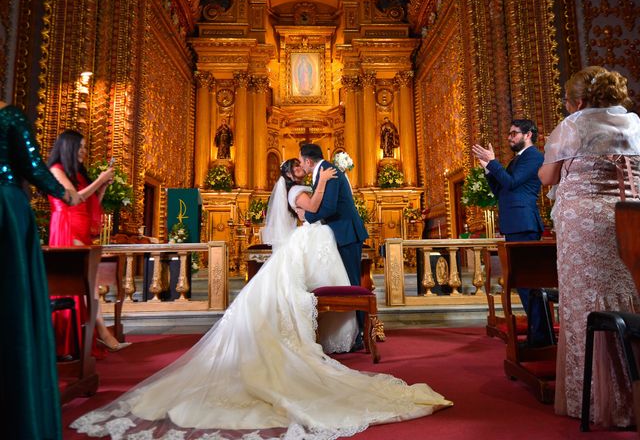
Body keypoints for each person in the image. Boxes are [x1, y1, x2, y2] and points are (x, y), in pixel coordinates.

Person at [71, 159, 452, 439]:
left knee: (282, 296)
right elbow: (315, 208)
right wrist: (327, 178)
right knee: (285, 299)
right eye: (300, 169)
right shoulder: (296, 191)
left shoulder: (290, 188)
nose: (305, 170)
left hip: (297, 248)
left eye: (306, 167)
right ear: (290, 175)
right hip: (300, 245)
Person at [538, 66, 640, 428]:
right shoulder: (634, 124)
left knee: (587, 301)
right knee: (629, 295)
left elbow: (548, 175)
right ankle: (633, 393)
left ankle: (597, 399)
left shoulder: (574, 125)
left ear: (578, 101)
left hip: (584, 223)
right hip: (629, 218)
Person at [0, 101, 81, 439]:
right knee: (12, 300)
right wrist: (64, 192)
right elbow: (33, 165)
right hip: (5, 211)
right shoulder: (8, 115)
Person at [47, 129, 130, 354]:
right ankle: (101, 333)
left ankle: (98, 334)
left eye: (85, 147)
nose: (84, 151)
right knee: (83, 285)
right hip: (67, 228)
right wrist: (99, 180)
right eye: (81, 147)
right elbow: (74, 198)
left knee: (90, 284)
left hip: (81, 230)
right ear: (68, 147)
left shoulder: (79, 174)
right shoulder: (56, 171)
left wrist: (101, 187)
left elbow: (90, 202)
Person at [472, 119, 548, 346]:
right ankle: (539, 334)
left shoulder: (534, 156)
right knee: (523, 283)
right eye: (509, 133)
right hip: (515, 224)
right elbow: (500, 189)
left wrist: (493, 162)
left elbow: (513, 183)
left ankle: (541, 336)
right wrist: (487, 168)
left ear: (529, 134)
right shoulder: (517, 160)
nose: (509, 137)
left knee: (529, 283)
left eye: (514, 133)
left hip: (524, 224)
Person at [298, 143, 370, 347]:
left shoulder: (328, 171)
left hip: (347, 233)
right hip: (341, 233)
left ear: (308, 161)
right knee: (347, 282)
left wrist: (308, 216)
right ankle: (354, 331)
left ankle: (361, 334)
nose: (301, 165)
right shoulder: (323, 171)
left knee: (354, 284)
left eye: (302, 161)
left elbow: (328, 207)